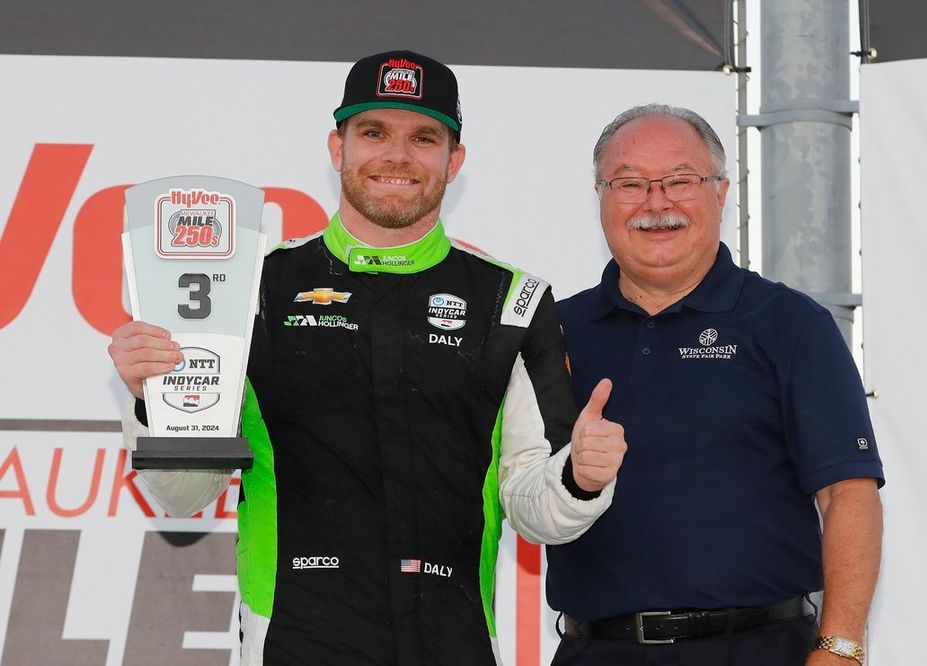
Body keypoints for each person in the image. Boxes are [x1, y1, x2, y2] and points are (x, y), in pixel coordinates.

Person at [108, 50, 626, 666]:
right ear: (337, 147)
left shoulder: (510, 302)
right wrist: (151, 401)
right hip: (293, 636)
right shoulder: (251, 289)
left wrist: (582, 479)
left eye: (424, 137)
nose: (398, 156)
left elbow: (535, 506)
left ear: (454, 160)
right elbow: (187, 494)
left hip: (452, 637)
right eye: (374, 132)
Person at [545, 104, 884, 666]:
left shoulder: (789, 324)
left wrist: (841, 648)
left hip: (759, 650)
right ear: (601, 197)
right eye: (629, 183)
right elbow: (520, 484)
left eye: (681, 181)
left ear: (721, 193)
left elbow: (848, 493)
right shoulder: (556, 332)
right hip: (595, 652)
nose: (657, 203)